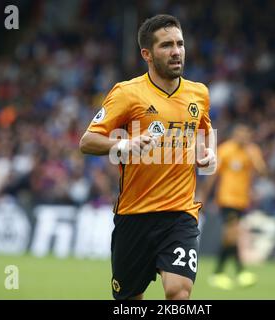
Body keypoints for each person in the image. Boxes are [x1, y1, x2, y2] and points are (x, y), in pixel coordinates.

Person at [79, 14, 216, 300]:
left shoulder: (199, 94)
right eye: (166, 45)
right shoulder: (127, 93)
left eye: (180, 43)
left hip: (180, 214)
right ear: (147, 54)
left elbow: (204, 131)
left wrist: (207, 153)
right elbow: (87, 141)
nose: (176, 51)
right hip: (134, 216)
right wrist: (124, 145)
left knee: (179, 292)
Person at [201, 124, 267, 290]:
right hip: (227, 199)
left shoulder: (252, 151)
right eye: (239, 133)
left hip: (242, 200)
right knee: (232, 233)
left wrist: (254, 157)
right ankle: (229, 273)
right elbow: (212, 175)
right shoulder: (225, 150)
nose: (242, 137)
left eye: (245, 134)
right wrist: (203, 196)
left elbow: (262, 172)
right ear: (234, 134)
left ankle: (229, 273)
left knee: (231, 237)